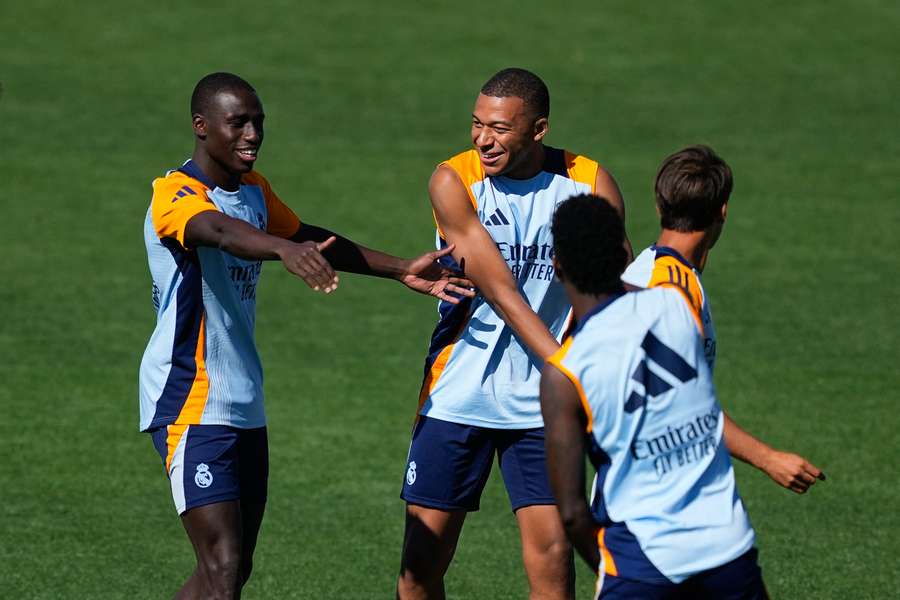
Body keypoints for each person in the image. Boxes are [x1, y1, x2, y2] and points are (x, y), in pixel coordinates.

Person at [139, 72, 473, 600]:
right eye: (238, 123)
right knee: (222, 565)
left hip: (244, 400)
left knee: (229, 570)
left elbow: (311, 238)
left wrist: (400, 269)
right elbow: (220, 232)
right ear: (202, 127)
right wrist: (280, 250)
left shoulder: (253, 190)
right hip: (189, 398)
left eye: (258, 122)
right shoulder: (175, 195)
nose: (252, 134)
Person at [397, 67, 631, 600]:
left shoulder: (589, 183)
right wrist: (573, 371)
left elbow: (612, 286)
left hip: (544, 405)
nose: (483, 139)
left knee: (553, 568)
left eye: (499, 129)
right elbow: (501, 292)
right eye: (477, 125)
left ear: (539, 128)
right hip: (459, 390)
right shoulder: (453, 180)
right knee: (419, 571)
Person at [542, 194, 769, 598]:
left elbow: (574, 513)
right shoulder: (677, 306)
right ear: (622, 253)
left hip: (642, 563)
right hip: (728, 549)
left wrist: (611, 572)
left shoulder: (566, 373)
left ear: (557, 267)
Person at [621, 145, 824, 494]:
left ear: (659, 206)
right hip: (650, 497)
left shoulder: (654, 272)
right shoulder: (670, 289)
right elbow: (680, 401)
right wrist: (768, 459)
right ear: (722, 211)